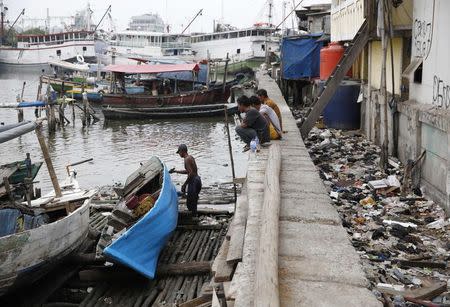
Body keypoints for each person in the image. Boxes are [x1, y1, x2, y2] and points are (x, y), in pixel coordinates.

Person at [169, 144, 202, 216]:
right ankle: (195, 216)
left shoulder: (186, 159)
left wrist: (184, 184)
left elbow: (190, 173)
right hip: (198, 179)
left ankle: (193, 219)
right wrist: (176, 171)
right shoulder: (190, 157)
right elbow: (188, 171)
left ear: (182, 151)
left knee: (190, 203)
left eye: (179, 152)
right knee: (193, 201)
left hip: (193, 181)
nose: (179, 154)